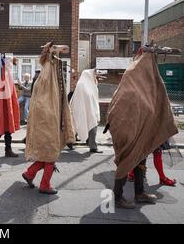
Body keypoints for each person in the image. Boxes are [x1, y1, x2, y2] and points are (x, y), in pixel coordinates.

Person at [106, 45, 178, 209]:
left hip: (139, 128)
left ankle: (140, 193)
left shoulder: (137, 76)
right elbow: (129, 104)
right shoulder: (135, 77)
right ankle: (117, 197)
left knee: (140, 157)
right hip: (128, 128)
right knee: (128, 159)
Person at [23, 42, 75, 194]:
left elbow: (66, 47)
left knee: (48, 152)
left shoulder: (47, 69)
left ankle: (30, 173)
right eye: (56, 56)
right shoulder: (48, 72)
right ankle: (45, 185)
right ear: (52, 57)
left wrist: (55, 48)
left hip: (46, 117)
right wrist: (54, 50)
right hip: (47, 118)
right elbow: (46, 98)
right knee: (51, 151)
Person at [69, 69, 102, 153]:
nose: (94, 76)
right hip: (81, 109)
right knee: (78, 125)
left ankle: (91, 145)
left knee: (90, 125)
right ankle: (70, 141)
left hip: (91, 109)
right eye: (93, 75)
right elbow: (80, 97)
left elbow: (93, 96)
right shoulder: (81, 84)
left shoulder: (90, 84)